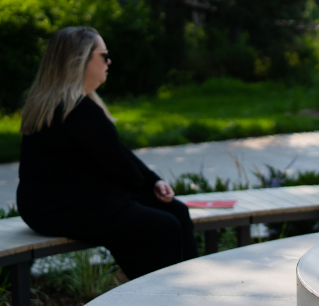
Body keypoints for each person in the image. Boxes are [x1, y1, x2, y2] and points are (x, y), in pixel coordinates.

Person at [17, 27, 196, 279]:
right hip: (60, 208)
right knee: (163, 226)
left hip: (55, 204)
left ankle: (185, 289)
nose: (109, 61)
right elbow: (122, 171)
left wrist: (153, 181)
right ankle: (164, 293)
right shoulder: (78, 112)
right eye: (103, 55)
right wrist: (146, 186)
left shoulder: (62, 105)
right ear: (80, 61)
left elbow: (118, 154)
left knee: (175, 211)